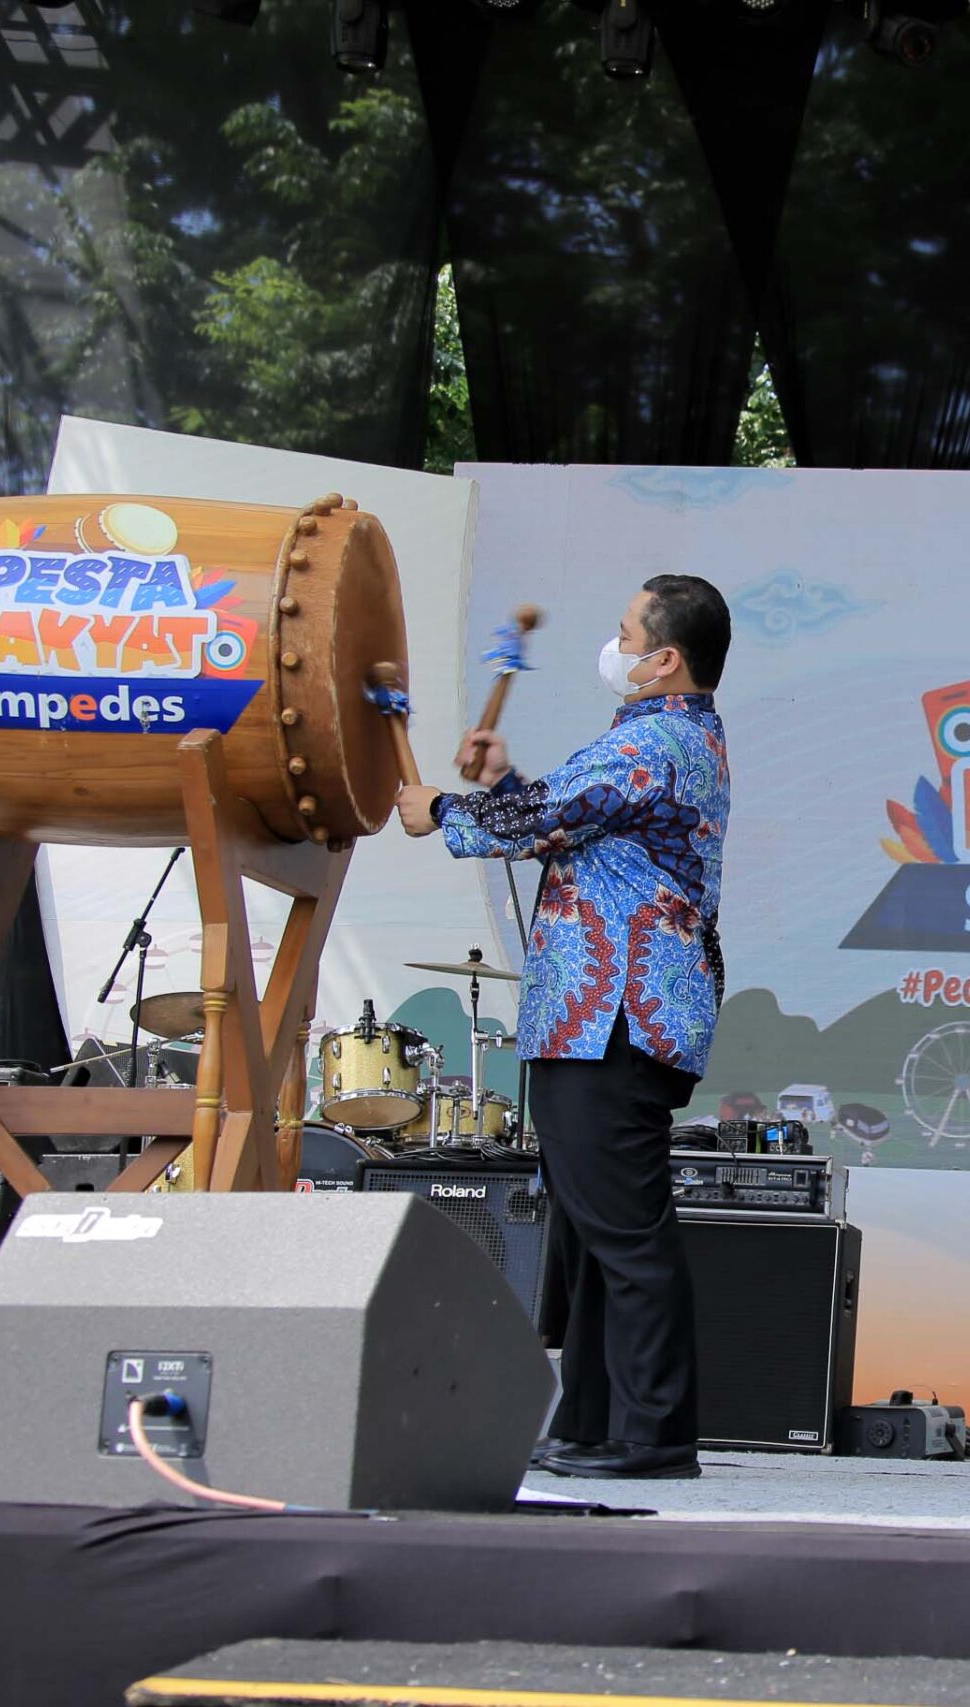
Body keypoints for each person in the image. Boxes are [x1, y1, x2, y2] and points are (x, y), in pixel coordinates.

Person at [398, 574, 732, 1479]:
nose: (615, 647)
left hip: (616, 1016)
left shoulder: (657, 739)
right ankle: (590, 1421)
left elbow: (548, 816)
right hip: (597, 1016)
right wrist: (501, 783)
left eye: (627, 633)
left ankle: (654, 1433)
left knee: (624, 1233)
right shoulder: (663, 738)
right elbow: (575, 821)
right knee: (590, 1237)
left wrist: (444, 809)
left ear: (666, 658)